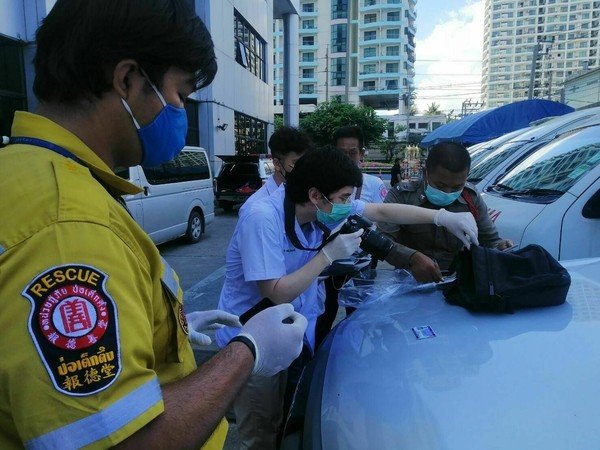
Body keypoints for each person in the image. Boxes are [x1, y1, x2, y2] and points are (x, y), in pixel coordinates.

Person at [0, 1, 307, 449]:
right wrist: (247, 353)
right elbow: (122, 442)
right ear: (127, 79)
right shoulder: (69, 223)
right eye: (180, 94)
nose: (181, 111)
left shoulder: (28, 173)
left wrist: (157, 331)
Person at [216, 147, 479, 449]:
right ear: (316, 195)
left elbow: (379, 211)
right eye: (343, 198)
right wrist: (328, 255)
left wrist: (441, 217)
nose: (348, 205)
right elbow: (275, 291)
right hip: (253, 340)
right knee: (261, 429)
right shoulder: (262, 217)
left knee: (289, 415)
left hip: (293, 330)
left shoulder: (318, 208)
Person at [377, 142, 514, 283]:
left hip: (456, 281)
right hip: (407, 279)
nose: (447, 192)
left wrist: (500, 246)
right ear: (426, 173)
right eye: (440, 185)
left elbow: (489, 239)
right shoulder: (403, 195)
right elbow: (381, 240)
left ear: (466, 177)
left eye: (457, 187)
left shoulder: (471, 198)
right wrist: (412, 257)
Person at [239, 126, 315, 216]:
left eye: (307, 162)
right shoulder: (255, 210)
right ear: (277, 164)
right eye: (297, 163)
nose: (304, 168)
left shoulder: (306, 197)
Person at [333, 125, 388, 203]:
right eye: (342, 153)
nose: (347, 158)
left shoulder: (374, 184)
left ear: (361, 154)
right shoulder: (322, 183)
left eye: (352, 153)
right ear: (334, 153)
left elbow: (383, 213)